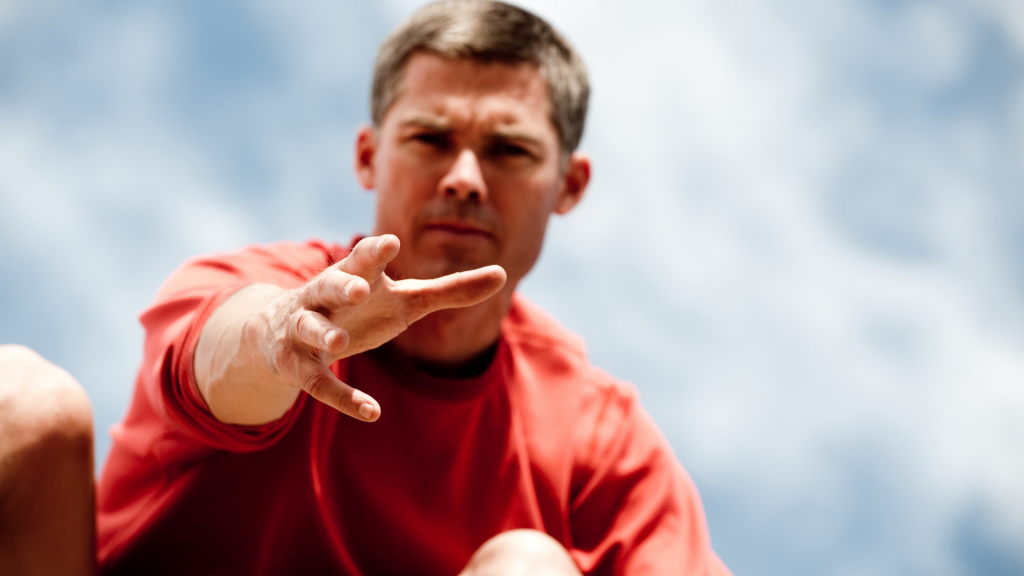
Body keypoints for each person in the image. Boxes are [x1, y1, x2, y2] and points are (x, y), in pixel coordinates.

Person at [0, 1, 731, 574]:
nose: (465, 179)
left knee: (529, 567)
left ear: (568, 185)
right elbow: (220, 354)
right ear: (368, 156)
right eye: (430, 138)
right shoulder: (269, 286)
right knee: (22, 399)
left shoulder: (597, 438)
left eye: (508, 150)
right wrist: (279, 337)